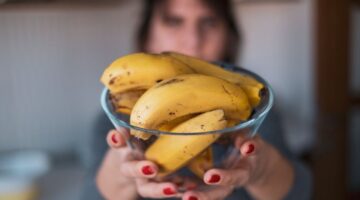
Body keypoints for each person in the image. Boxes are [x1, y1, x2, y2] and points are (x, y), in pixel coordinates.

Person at [82, 0, 312, 199]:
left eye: (209, 22)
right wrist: (119, 176)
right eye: (174, 21)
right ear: (147, 36)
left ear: (229, 36)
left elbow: (302, 192)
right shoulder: (116, 119)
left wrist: (263, 171)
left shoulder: (254, 110)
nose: (193, 41)